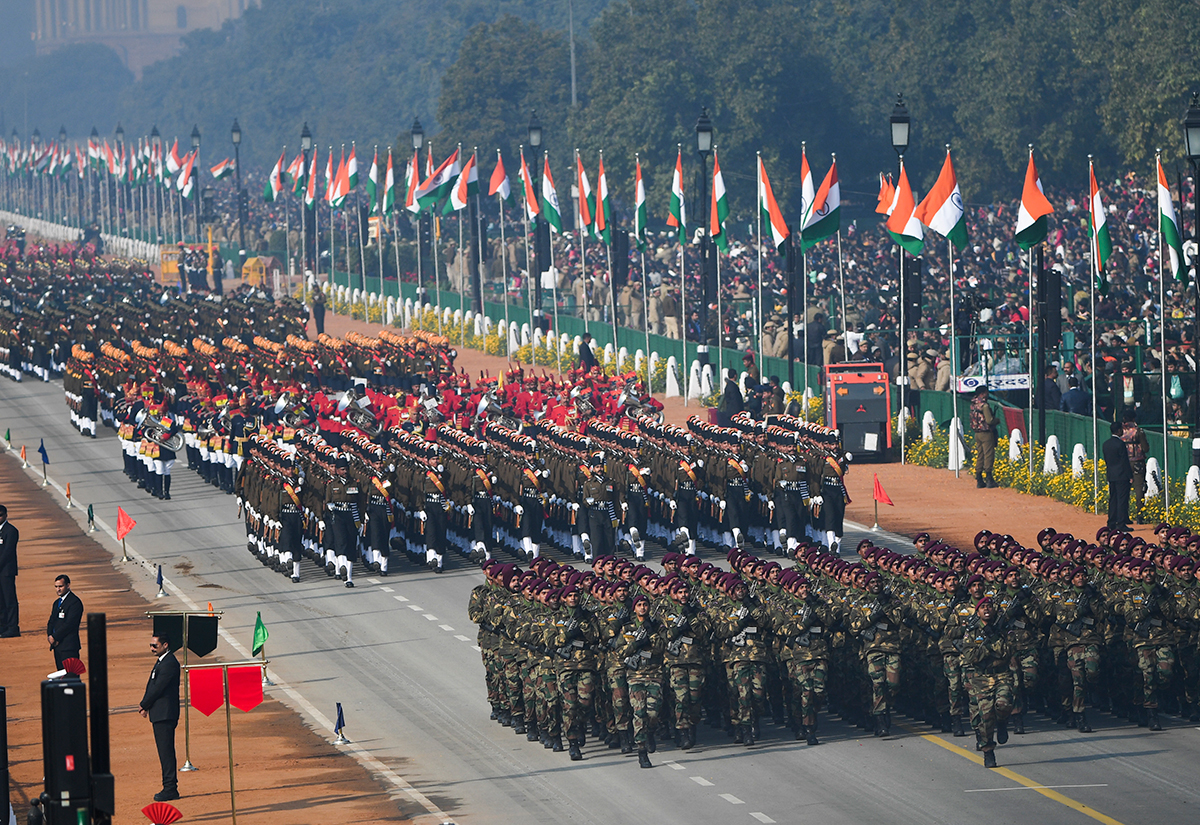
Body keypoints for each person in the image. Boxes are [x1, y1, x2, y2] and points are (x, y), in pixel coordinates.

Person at [140, 633, 181, 801]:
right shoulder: (163, 661)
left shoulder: (169, 663)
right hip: (160, 713)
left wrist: (144, 704)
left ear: (165, 645)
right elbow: (152, 685)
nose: (151, 648)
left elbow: (158, 688)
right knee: (164, 751)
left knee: (166, 752)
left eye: (154, 645)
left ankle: (170, 787)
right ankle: (169, 786)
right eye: (150, 645)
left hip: (165, 714)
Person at [47, 574, 84, 669]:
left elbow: (70, 624)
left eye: (60, 586)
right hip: (57, 647)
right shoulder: (56, 603)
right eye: (56, 587)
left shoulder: (74, 602)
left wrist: (55, 637)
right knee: (61, 676)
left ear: (68, 585)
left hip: (69, 647)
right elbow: (51, 621)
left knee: (71, 676)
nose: (58, 589)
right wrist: (50, 637)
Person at [1121, 411, 1150, 523]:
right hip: (1138, 461)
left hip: (1124, 462)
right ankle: (1139, 515)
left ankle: (1124, 513)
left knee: (1124, 489)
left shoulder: (1120, 430)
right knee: (1139, 488)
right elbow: (1145, 448)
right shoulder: (1138, 431)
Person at [1103, 419, 1132, 530]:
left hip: (1111, 475)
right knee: (1121, 500)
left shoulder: (1106, 444)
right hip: (1122, 475)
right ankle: (1120, 523)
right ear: (1119, 430)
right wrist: (1130, 475)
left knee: (1113, 499)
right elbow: (1124, 461)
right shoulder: (1120, 444)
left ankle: (1111, 522)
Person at [969, 386, 999, 489]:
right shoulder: (984, 406)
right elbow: (989, 420)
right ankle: (989, 479)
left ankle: (979, 478)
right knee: (988, 455)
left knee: (980, 455)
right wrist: (997, 420)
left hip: (977, 433)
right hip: (986, 433)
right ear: (982, 393)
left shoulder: (974, 404)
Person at [0, 505, 18, 638]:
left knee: (9, 599)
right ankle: (3, 626)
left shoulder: (11, 531)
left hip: (6, 571)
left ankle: (13, 628)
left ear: (6, 515)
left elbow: (7, 552)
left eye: (0, 515)